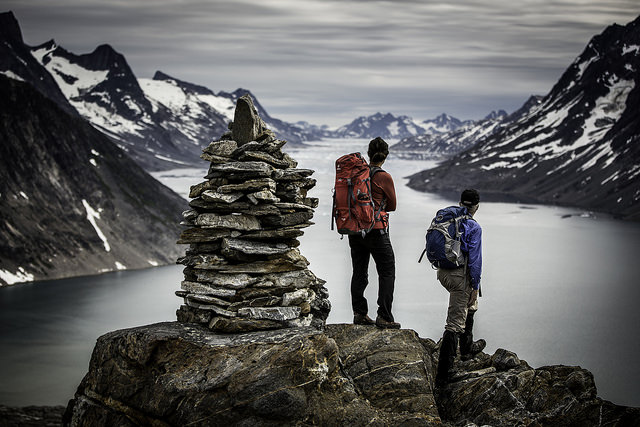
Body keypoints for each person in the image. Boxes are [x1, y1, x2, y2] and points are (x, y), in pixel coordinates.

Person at [435, 189, 486, 386]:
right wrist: (475, 285)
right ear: (477, 207)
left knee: (470, 305)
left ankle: (466, 349)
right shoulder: (473, 226)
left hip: (443, 272)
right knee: (455, 323)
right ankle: (444, 374)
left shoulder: (448, 218)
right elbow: (475, 260)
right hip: (458, 278)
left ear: (460, 203)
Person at [349, 137, 400, 329]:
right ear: (385, 156)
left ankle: (360, 313)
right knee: (387, 272)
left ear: (369, 154)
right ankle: (384, 316)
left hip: (355, 231)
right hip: (376, 231)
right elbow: (392, 206)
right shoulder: (383, 177)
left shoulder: (356, 174)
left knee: (359, 271)